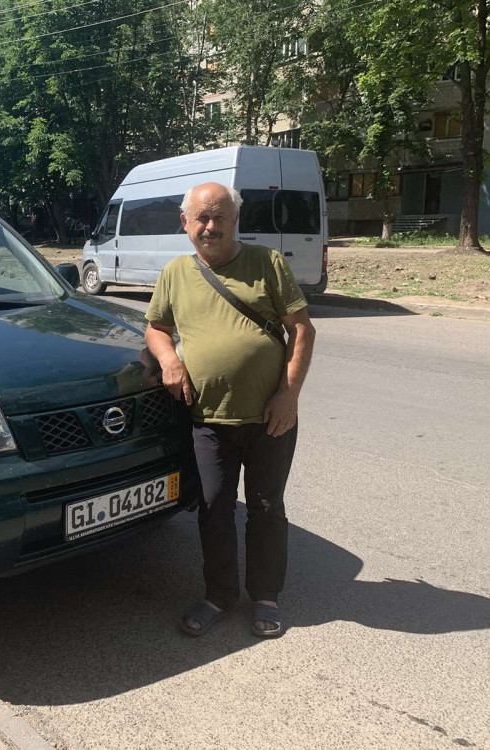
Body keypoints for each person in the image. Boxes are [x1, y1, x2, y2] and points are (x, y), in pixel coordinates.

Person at [144, 182, 316, 638]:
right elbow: (156, 328)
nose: (210, 226)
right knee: (213, 510)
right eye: (201, 217)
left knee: (266, 508)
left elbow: (302, 330)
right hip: (208, 420)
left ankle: (266, 596)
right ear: (185, 222)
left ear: (236, 220)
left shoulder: (267, 262)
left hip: (270, 418)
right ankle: (219, 596)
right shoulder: (176, 273)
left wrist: (289, 395)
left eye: (220, 216)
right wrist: (169, 359)